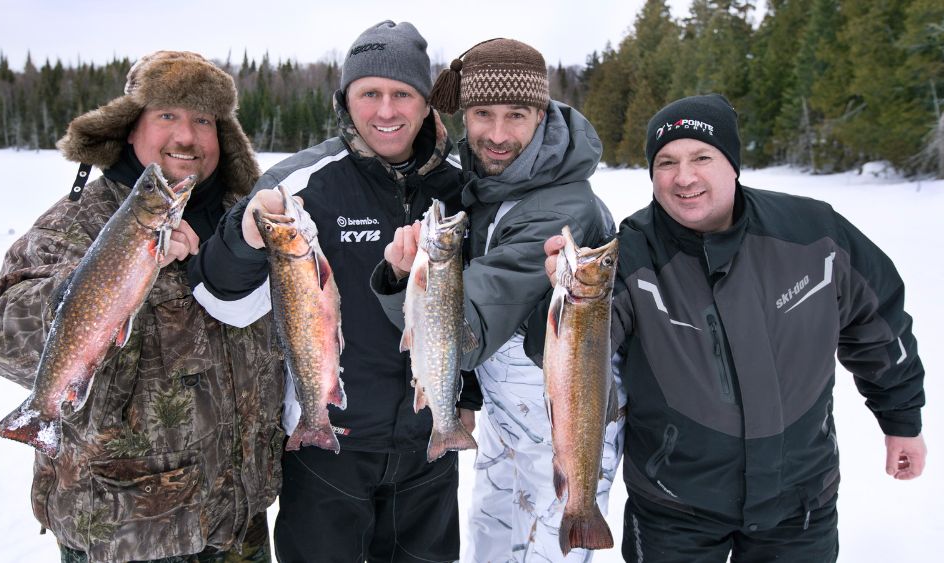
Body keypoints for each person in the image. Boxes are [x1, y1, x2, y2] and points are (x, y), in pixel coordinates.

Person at [541, 93, 928, 562]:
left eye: (701, 156)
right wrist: (561, 302)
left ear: (733, 162)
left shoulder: (813, 233)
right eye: (666, 162)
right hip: (672, 508)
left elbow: (879, 323)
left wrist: (902, 419)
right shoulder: (633, 253)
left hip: (801, 501)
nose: (684, 178)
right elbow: (567, 360)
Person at [0, 51, 283, 562]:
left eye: (203, 120)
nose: (186, 136)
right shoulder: (84, 220)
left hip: (239, 524)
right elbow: (0, 335)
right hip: (126, 531)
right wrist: (110, 277)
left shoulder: (244, 218)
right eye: (167, 115)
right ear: (131, 127)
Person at [185, 21, 466, 563]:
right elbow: (222, 298)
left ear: (427, 102)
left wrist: (465, 398)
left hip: (429, 446)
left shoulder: (459, 185)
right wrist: (246, 234)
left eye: (402, 94)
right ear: (345, 100)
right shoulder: (300, 183)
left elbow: (468, 308)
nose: (386, 111)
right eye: (370, 94)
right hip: (328, 443)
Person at [372, 38, 620, 562]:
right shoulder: (494, 188)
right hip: (509, 423)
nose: (499, 135)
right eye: (483, 113)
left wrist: (407, 278)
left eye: (517, 114)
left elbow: (467, 333)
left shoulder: (556, 208)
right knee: (491, 550)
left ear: (543, 113)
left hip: (563, 424)